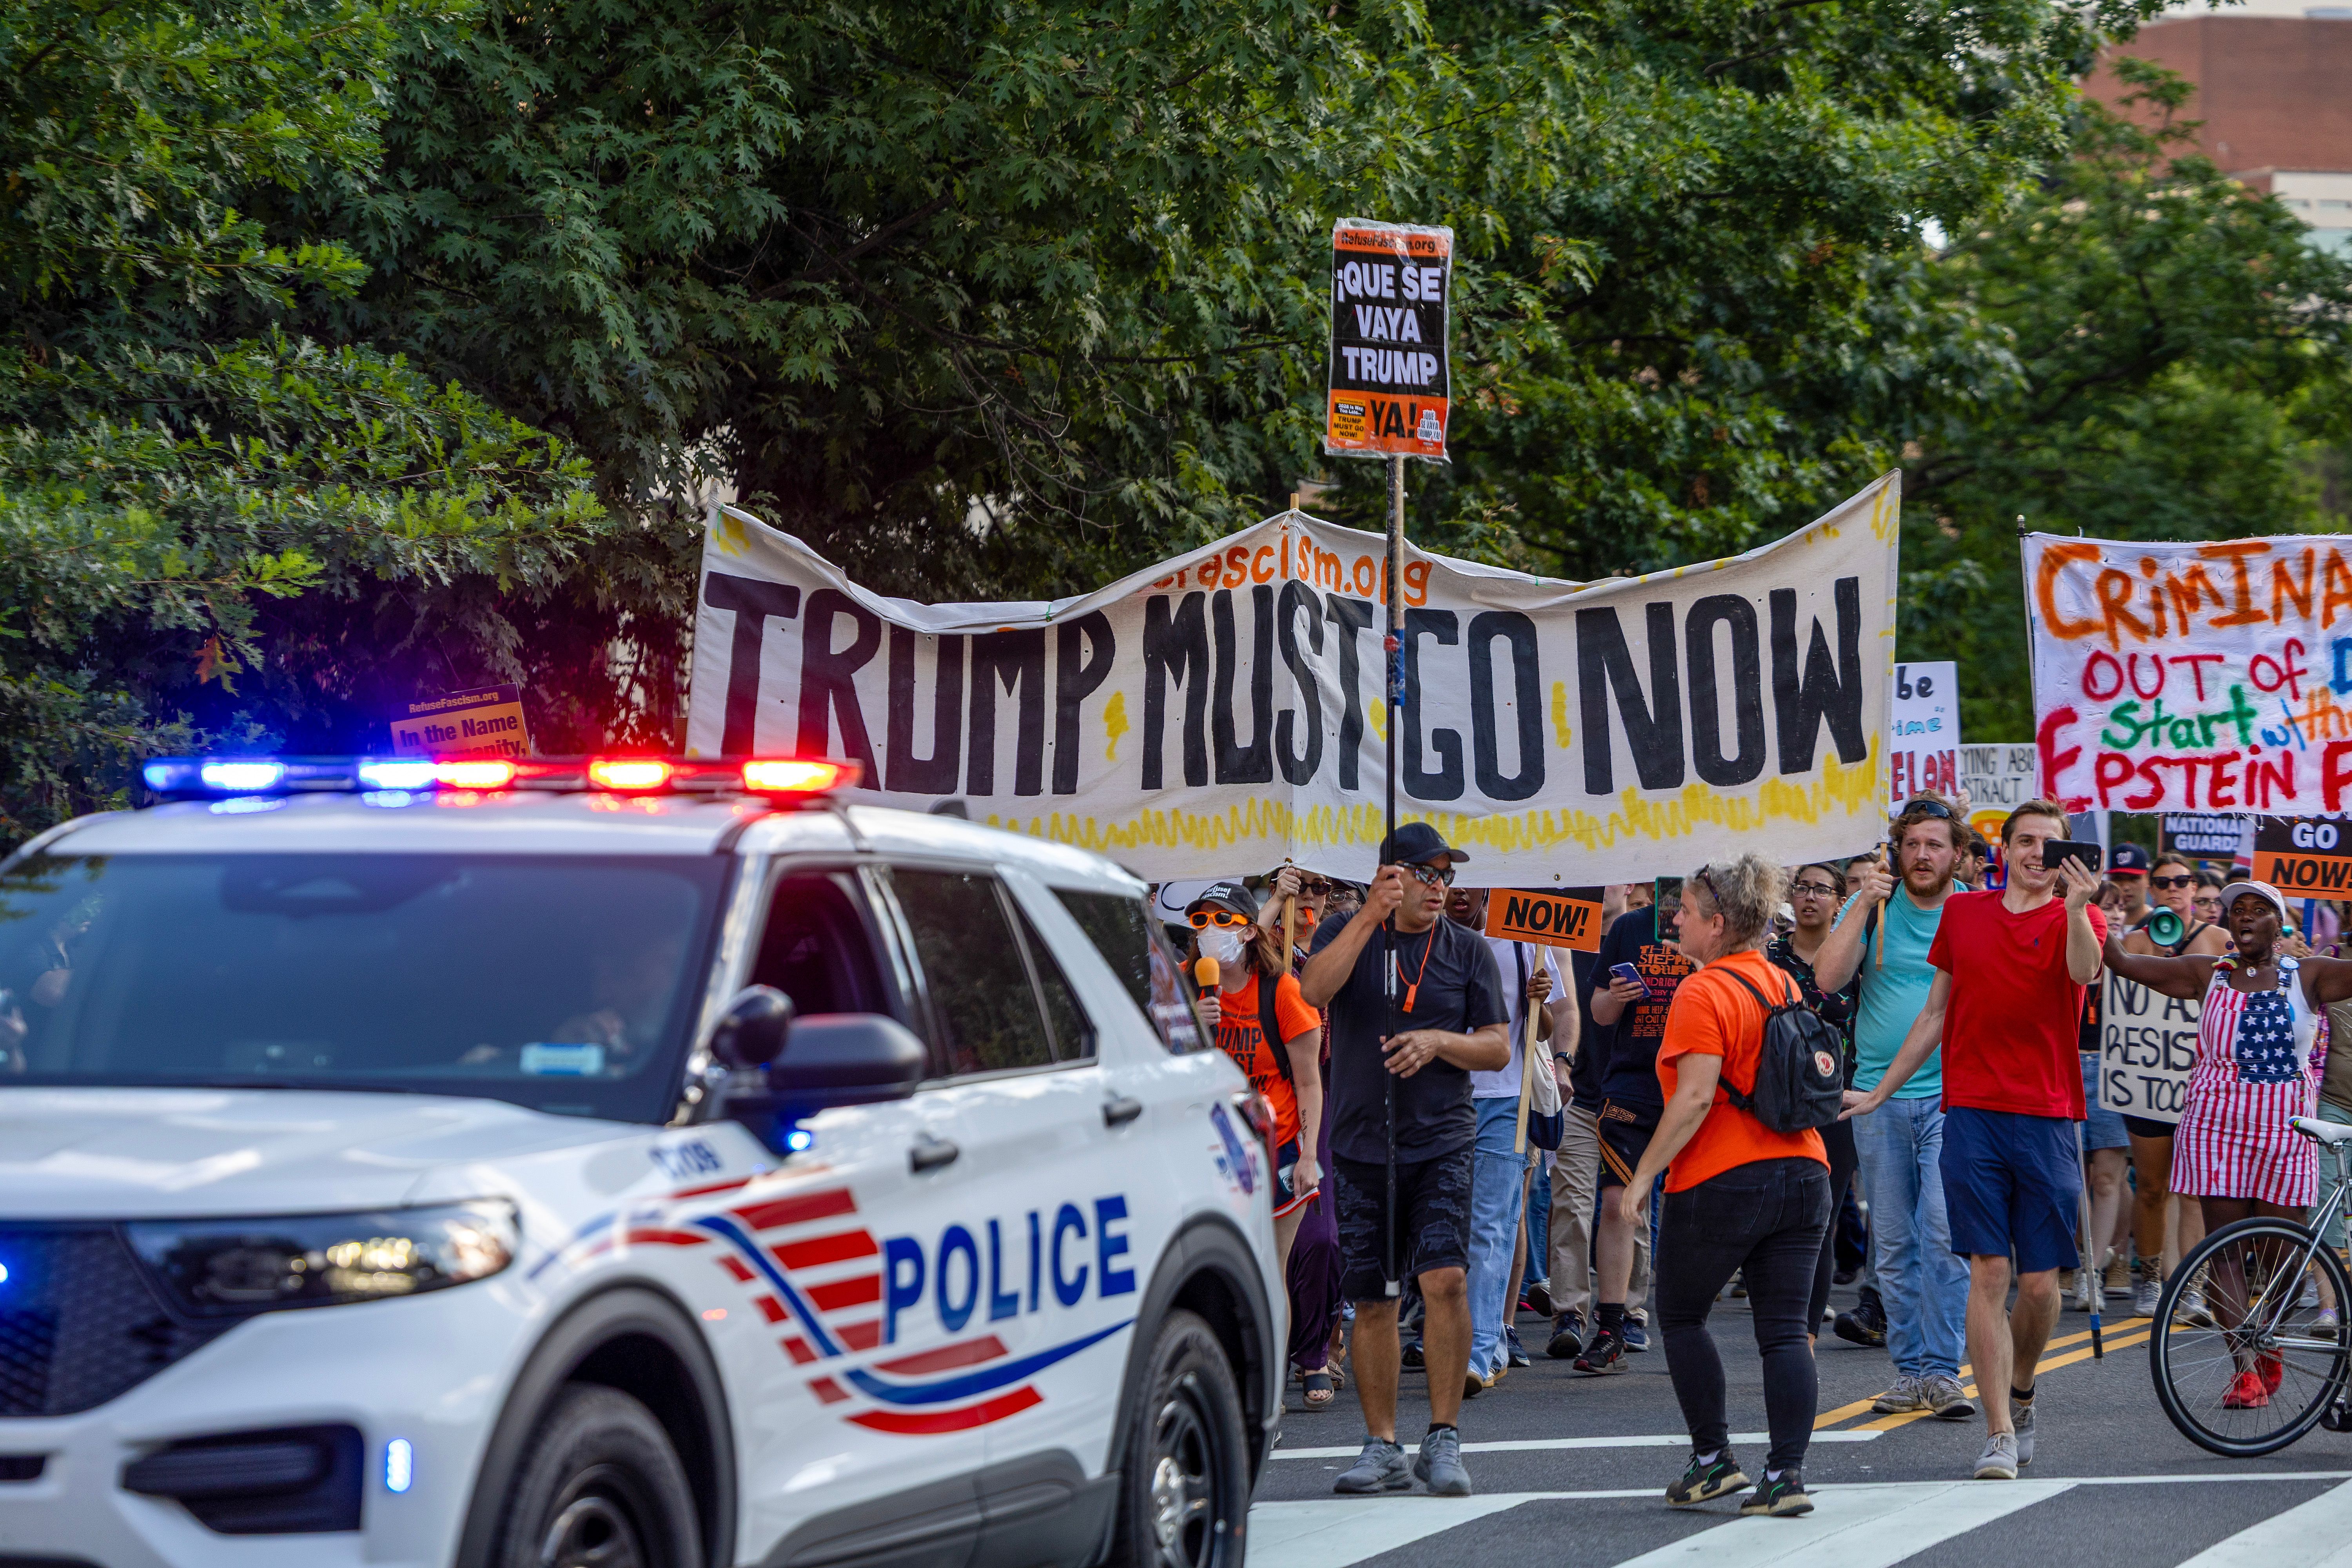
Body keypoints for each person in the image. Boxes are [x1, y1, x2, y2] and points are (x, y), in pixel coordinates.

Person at [1842, 799, 2106, 1481]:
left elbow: (2083, 977)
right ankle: (1995, 1433)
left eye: (2049, 846)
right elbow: (1935, 1013)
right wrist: (1879, 1091)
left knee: (2042, 1285)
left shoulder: (2079, 914)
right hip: (1973, 1114)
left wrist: (2077, 908)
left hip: (2048, 1116)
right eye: (2024, 842)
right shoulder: (1964, 914)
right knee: (1988, 1271)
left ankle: (2022, 1390)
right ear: (2003, 848)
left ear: (2065, 857)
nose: (2034, 855)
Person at [1302, 823, 1509, 1498]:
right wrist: (1367, 915)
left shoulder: (1468, 949)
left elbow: (1499, 1047)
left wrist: (1437, 1042)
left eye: (1447, 876)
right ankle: (1383, 1444)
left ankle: (1444, 1438)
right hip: (1361, 1143)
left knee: (1444, 1278)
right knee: (1373, 1299)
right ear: (1392, 876)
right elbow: (1313, 993)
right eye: (1428, 874)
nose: (1440, 888)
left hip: (1442, 1138)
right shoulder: (1347, 931)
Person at [1624, 853, 1830, 1519]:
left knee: (1681, 1314)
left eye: (1684, 910)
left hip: (1724, 1175)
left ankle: (1713, 1460)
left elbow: (1692, 1100)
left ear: (1716, 925)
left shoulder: (1701, 991)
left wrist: (1641, 1179)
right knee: (1784, 1330)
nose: (1674, 919)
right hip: (1805, 1170)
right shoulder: (1783, 984)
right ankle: (1785, 1475)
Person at [2102, 880, 2350, 1406]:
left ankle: (2272, 1343)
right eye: (2238, 910)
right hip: (2215, 1127)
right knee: (2225, 1252)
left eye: (2259, 911)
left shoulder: (2310, 975)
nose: (2245, 918)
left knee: (2281, 1251)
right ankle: (2244, 1366)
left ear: (2279, 926)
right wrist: (2082, 910)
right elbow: (2122, 963)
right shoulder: (2205, 973)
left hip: (2286, 1130)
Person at [1813, 795, 1973, 1421]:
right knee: (1895, 1242)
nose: (1922, 855)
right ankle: (1912, 1371)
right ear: (1896, 851)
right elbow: (1826, 979)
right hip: (1876, 1097)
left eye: (1935, 844)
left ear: (1957, 854)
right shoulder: (1874, 905)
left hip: (1953, 1096)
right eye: (1912, 844)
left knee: (1943, 1232)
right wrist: (1860, 905)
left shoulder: (1971, 911)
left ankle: (1943, 1368)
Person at [1444, 884, 1572, 1394]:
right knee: (1447, 1230)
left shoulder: (1522, 939)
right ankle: (1472, 1339)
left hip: (1502, 1100)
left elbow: (1544, 1028)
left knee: (1492, 1224)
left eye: (1469, 884)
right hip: (1439, 1100)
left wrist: (1538, 1000)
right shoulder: (1421, 936)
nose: (1458, 893)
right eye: (1446, 882)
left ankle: (1477, 1352)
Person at [1579, 882, 1696, 1372]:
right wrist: (1620, 997)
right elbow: (1599, 1012)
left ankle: (1687, 1323)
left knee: (1694, 1209)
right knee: (1617, 1201)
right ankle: (1612, 1326)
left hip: (1695, 1082)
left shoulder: (1717, 925)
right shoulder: (1630, 927)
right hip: (1632, 1085)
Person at [1186, 883, 1325, 1275]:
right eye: (1201, 920)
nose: (1210, 929)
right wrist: (1189, 1024)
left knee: (1268, 1270)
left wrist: (1309, 1157)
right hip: (1206, 1147)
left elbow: (1310, 1083)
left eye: (1223, 919)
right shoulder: (1182, 985)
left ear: (1249, 931)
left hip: (1275, 1147)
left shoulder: (1283, 991)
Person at [1544, 884, 1652, 1360]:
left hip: (1641, 1097)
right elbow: (1586, 1010)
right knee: (1572, 1202)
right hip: (1583, 1097)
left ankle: (1630, 1313)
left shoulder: (1656, 932)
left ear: (1629, 884)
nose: (1594, 884)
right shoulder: (1566, 936)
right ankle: (1569, 1311)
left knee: (1632, 1206)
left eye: (1606, 875)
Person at [2120, 853, 2229, 1319]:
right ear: (2152, 888)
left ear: (2193, 887)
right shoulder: (2134, 941)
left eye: (2182, 881)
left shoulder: (2219, 941)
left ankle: (2192, 1287)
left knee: (2196, 1191)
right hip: (2149, 1082)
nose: (2174, 889)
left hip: (2201, 1084)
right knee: (2151, 1187)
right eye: (2163, 882)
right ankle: (2149, 1277)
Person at [1258, 866, 1346, 1408]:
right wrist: (1272, 904)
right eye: (1300, 887)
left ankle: (1316, 1351)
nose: (1310, 898)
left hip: (1332, 1101)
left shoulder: (1340, 943)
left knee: (1322, 1240)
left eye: (1320, 888)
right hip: (1265, 1111)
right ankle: (1280, 1353)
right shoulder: (1264, 951)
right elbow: (1232, 946)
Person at [1768, 862, 1858, 1347]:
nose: (1809, 897)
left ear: (1840, 900)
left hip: (1836, 1100)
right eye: (1801, 887)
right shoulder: (1770, 956)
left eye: (1821, 890)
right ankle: (1778, 1321)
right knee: (1778, 1215)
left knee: (1821, 1215)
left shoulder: (1857, 955)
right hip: (1777, 1099)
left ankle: (1803, 1337)